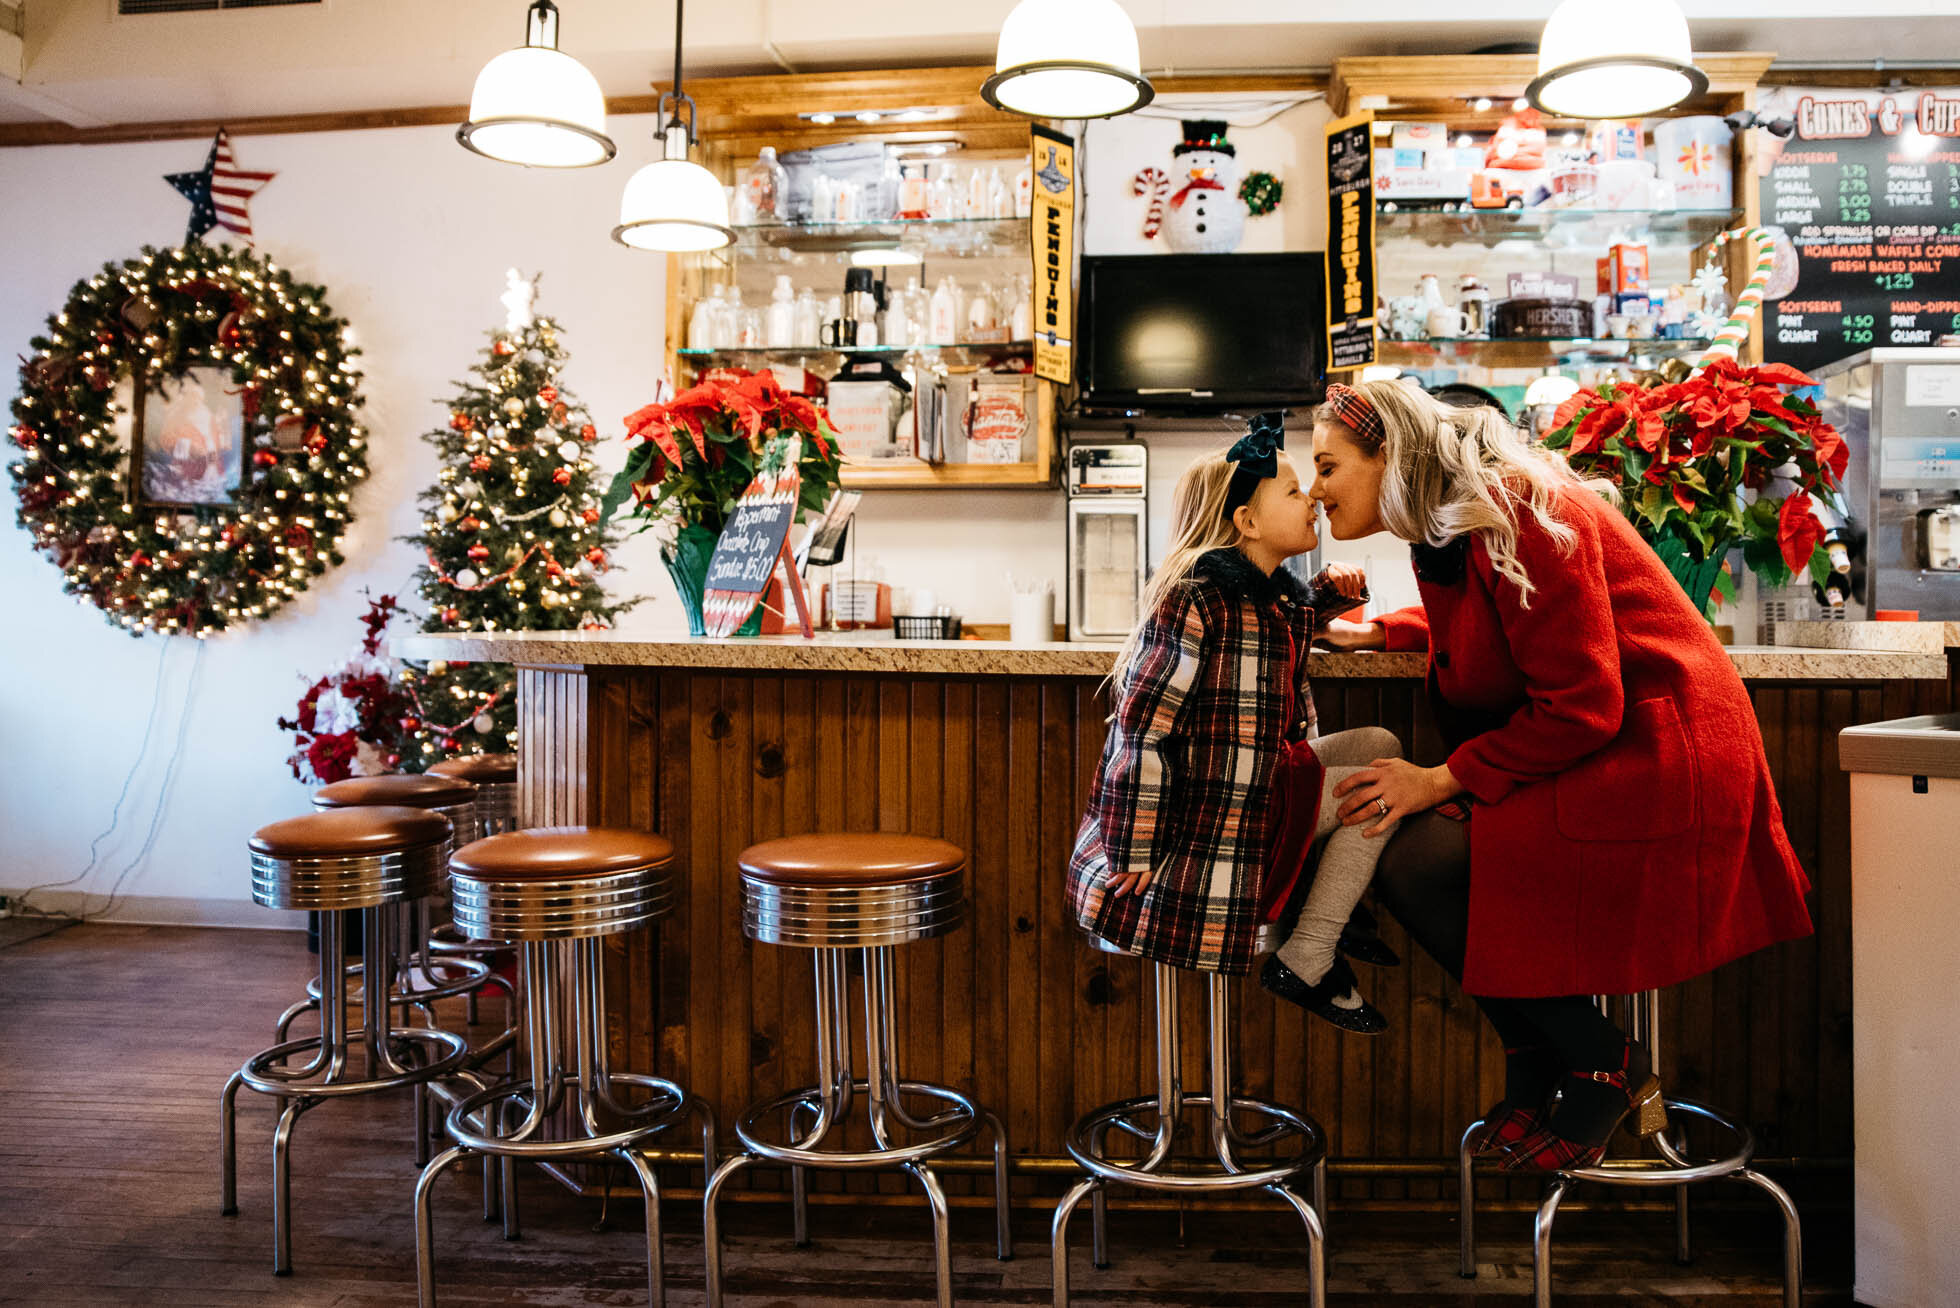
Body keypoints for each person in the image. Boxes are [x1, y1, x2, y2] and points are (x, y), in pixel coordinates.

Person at [1308, 379, 1814, 1170]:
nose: (1317, 490)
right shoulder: (1454, 524)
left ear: (1392, 458)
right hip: (1601, 748)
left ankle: (1599, 1060)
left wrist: (1442, 779)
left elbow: (1582, 702)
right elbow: (1508, 628)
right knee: (1408, 856)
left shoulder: (1517, 509)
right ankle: (1547, 1056)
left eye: (1329, 466)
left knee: (1415, 862)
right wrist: (1385, 630)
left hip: (1657, 758)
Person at [1065, 411, 1404, 1033]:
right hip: (1212, 822)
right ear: (1246, 522)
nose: (1315, 501)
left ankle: (1325, 903)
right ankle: (1311, 950)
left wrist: (1331, 593)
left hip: (1260, 789)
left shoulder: (1270, 599)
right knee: (1383, 791)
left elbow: (1284, 620)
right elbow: (1142, 731)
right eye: (1296, 492)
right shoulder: (1193, 600)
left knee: (1382, 746)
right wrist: (1134, 846)